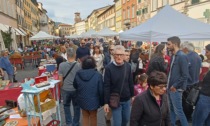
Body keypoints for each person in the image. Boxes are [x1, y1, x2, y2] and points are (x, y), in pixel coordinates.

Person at [104, 45, 134, 126]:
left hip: (127, 100)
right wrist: (106, 103)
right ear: (113, 55)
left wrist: (132, 95)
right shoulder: (109, 68)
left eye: (121, 55)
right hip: (115, 100)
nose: (119, 57)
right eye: (117, 54)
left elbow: (130, 82)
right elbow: (106, 86)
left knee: (126, 120)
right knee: (117, 123)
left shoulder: (128, 66)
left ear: (124, 56)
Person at [73, 56, 103, 126]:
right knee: (93, 116)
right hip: (94, 100)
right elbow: (101, 89)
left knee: (85, 116)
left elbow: (75, 85)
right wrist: (102, 102)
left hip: (82, 98)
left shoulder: (78, 73)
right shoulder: (98, 75)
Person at [166, 36, 189, 126]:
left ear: (175, 44)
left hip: (176, 89)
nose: (167, 46)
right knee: (171, 109)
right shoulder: (174, 56)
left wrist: (174, 85)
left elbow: (185, 75)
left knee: (178, 111)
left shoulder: (182, 56)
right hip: (171, 87)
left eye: (168, 44)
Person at [58, 48, 81, 126]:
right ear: (75, 55)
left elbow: (60, 80)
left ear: (67, 55)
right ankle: (76, 123)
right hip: (76, 89)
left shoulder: (61, 65)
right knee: (76, 106)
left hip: (65, 89)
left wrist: (61, 88)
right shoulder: (79, 65)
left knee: (66, 106)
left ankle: (69, 122)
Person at [180, 42, 202, 122]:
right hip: (195, 82)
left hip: (187, 84)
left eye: (181, 48)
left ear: (185, 49)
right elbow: (200, 71)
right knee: (191, 102)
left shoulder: (186, 57)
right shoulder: (198, 57)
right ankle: (188, 118)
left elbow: (183, 72)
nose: (181, 50)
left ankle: (185, 119)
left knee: (185, 103)